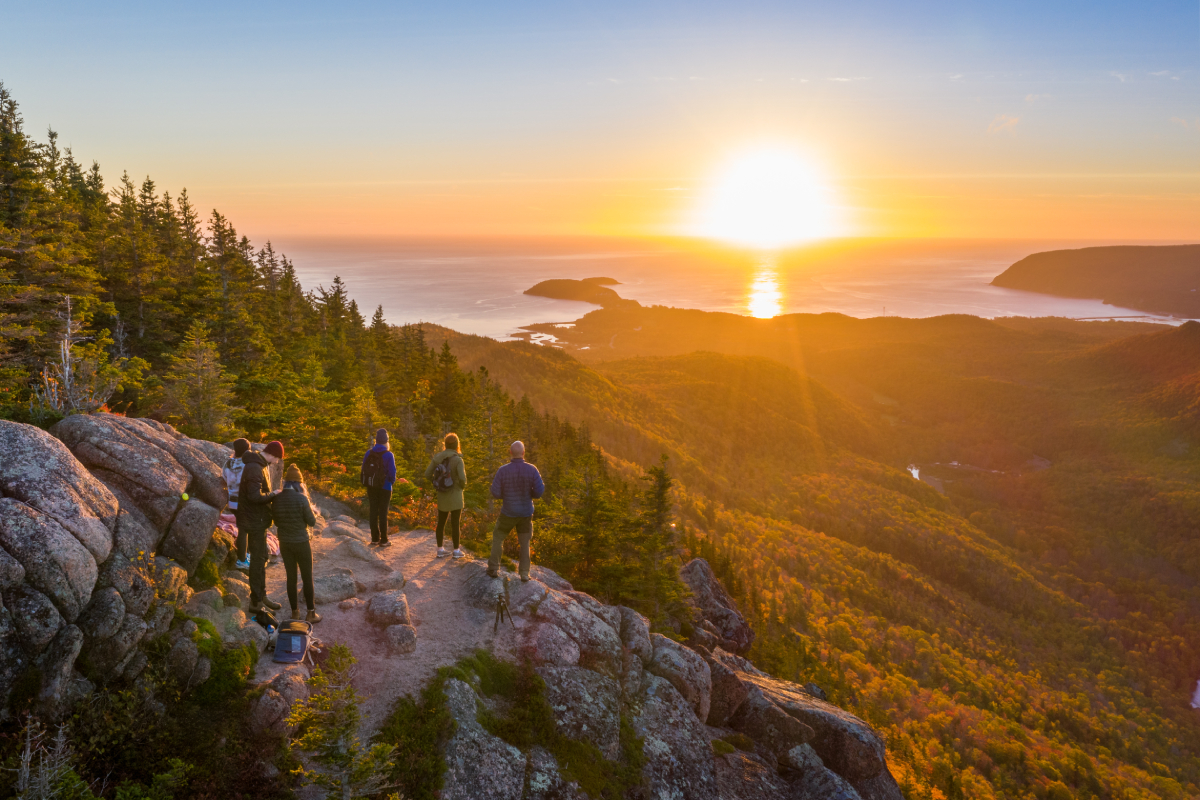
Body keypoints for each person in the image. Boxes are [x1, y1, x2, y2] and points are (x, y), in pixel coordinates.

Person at [487, 440, 545, 581]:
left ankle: (494, 568)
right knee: (525, 543)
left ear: (510, 452)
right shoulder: (532, 470)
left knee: (498, 538)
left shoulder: (503, 470)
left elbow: (495, 492)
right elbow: (539, 492)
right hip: (525, 513)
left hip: (508, 512)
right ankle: (524, 574)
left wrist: (505, 495)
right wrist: (529, 494)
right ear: (523, 453)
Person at [272, 464, 321, 623]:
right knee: (307, 577)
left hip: (285, 543)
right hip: (301, 542)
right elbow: (311, 522)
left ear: (286, 482)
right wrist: (315, 513)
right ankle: (311, 613)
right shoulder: (302, 498)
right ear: (299, 483)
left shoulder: (277, 498)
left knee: (291, 578)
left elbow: (276, 521)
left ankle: (295, 613)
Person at [241, 440, 284, 613]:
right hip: (254, 521)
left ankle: (262, 595)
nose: (278, 462)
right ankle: (256, 602)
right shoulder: (254, 467)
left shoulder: (260, 464)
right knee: (258, 560)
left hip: (258, 519)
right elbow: (253, 496)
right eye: (278, 458)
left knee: (262, 558)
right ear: (273, 455)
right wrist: (273, 494)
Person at [424, 432, 467, 558]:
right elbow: (463, 479)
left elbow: (427, 474)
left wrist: (436, 482)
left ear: (446, 444)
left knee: (441, 522)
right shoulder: (458, 459)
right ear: (457, 445)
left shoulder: (438, 458)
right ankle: (456, 551)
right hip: (456, 495)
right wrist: (461, 487)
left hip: (442, 494)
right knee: (455, 523)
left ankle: (440, 549)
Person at [361, 428, 397, 547]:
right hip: (385, 487)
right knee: (383, 513)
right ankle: (384, 540)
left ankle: (374, 539)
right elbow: (392, 473)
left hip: (371, 486)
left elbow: (364, 470)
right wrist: (390, 482)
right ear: (386, 441)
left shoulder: (369, 453)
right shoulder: (388, 454)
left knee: (373, 511)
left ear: (376, 441)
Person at [222, 438, 251, 570]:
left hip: (232, 503)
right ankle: (242, 560)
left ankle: (244, 555)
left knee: (242, 528)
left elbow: (224, 477)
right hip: (244, 503)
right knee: (244, 531)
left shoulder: (228, 463)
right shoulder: (247, 464)